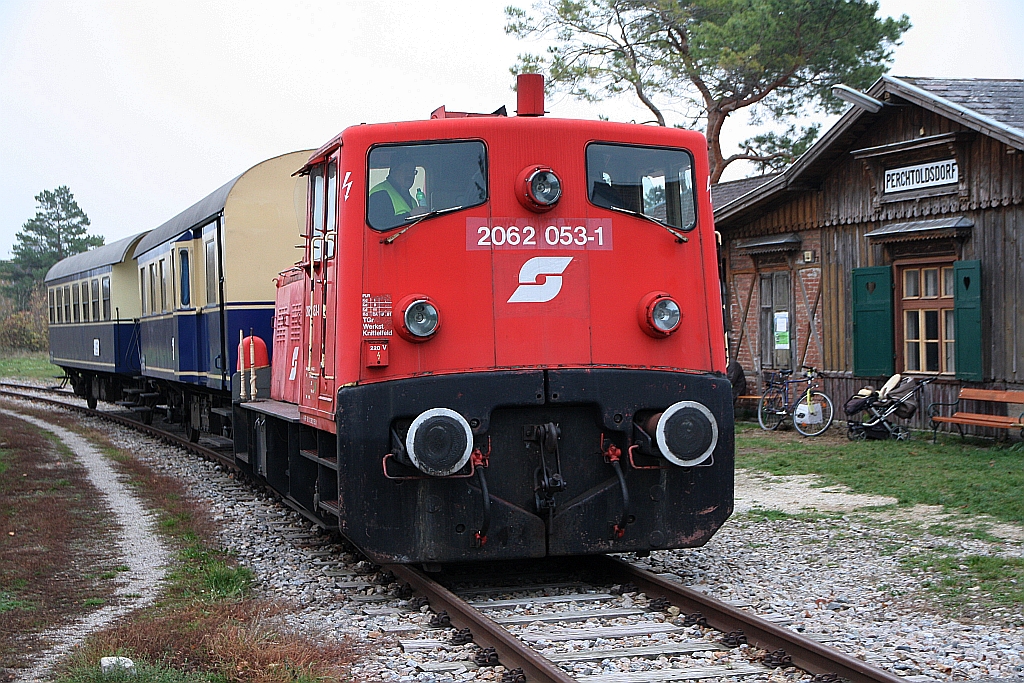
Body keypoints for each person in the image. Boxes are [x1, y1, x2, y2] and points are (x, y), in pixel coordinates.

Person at [368, 154, 422, 229]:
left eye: (413, 171)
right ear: (394, 170)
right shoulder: (380, 194)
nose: (410, 175)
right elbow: (379, 226)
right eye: (406, 170)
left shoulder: (412, 200)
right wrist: (410, 215)